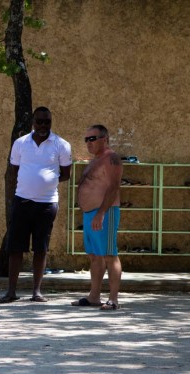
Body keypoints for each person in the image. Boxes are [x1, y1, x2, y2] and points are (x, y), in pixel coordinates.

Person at [0, 106, 72, 303]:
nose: (43, 125)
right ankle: (11, 292)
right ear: (33, 122)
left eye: (47, 122)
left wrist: (47, 181)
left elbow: (66, 174)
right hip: (22, 201)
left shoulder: (61, 145)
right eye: (39, 121)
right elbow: (14, 169)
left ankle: (36, 292)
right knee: (15, 247)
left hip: (47, 204)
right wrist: (29, 183)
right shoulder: (20, 143)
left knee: (41, 248)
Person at [71, 125, 123, 310]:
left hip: (105, 213)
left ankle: (114, 299)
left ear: (105, 138)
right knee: (94, 256)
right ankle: (94, 297)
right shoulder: (96, 160)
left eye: (92, 138)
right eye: (86, 139)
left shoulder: (111, 158)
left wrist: (101, 213)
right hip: (90, 214)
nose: (88, 143)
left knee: (109, 254)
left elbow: (113, 187)